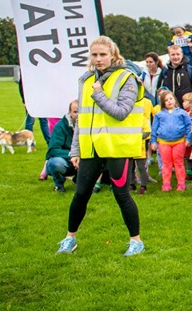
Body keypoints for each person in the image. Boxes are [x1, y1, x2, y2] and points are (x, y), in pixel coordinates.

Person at [57, 36, 145, 257]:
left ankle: (136, 241)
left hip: (118, 148)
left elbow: (121, 112)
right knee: (80, 194)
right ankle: (70, 238)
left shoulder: (127, 78)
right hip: (91, 148)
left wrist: (98, 93)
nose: (98, 59)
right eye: (94, 55)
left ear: (113, 55)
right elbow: (82, 119)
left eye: (103, 54)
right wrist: (76, 149)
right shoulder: (86, 80)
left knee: (122, 195)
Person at [150, 91, 192, 192]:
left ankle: (181, 184)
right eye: (166, 100)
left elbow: (189, 126)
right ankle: (166, 184)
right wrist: (153, 141)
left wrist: (188, 139)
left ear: (174, 99)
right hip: (164, 143)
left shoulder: (182, 113)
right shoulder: (159, 115)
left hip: (179, 142)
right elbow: (154, 129)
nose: (169, 101)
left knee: (179, 163)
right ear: (162, 102)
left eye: (170, 99)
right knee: (166, 164)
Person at [44, 100, 79, 193]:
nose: (78, 115)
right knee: (55, 163)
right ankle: (59, 184)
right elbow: (52, 150)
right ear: (70, 112)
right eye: (75, 112)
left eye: (81, 112)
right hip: (66, 160)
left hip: (84, 160)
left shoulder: (90, 125)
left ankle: (79, 180)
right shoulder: (60, 126)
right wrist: (73, 155)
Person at [160, 44, 192, 109]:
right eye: (173, 55)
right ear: (169, 55)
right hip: (170, 109)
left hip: (186, 109)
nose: (175, 57)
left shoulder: (190, 70)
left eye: (178, 54)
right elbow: (159, 89)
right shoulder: (165, 72)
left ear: (182, 55)